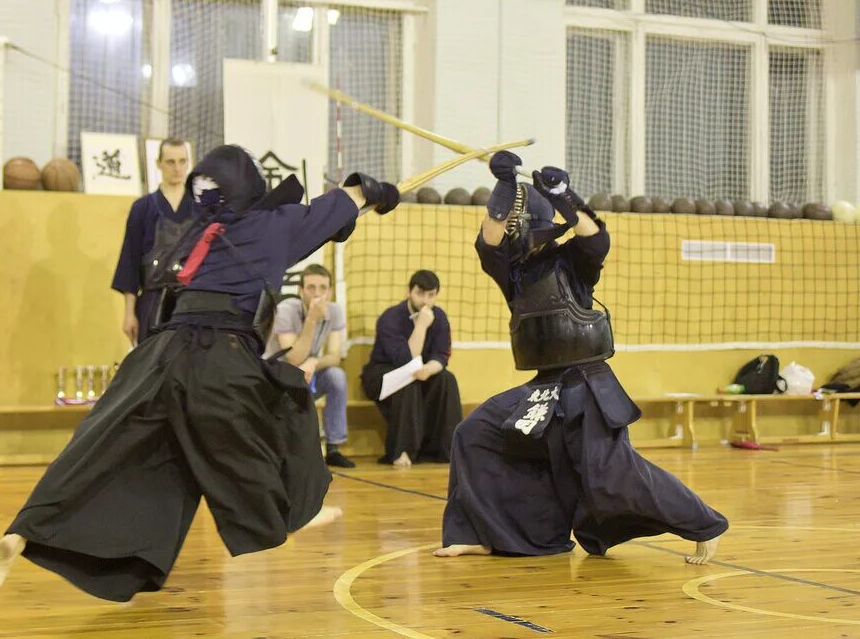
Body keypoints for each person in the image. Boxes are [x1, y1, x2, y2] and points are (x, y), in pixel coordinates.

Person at [0, 145, 400, 604]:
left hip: (159, 353)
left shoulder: (202, 230)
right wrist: (376, 193)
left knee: (112, 452)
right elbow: (350, 196)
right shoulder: (276, 226)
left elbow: (297, 232)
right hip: (220, 353)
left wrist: (343, 217)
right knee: (276, 409)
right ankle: (290, 511)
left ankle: (23, 531)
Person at [435, 151, 728, 564]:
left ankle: (705, 523)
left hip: (586, 386)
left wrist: (561, 194)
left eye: (520, 227)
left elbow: (595, 237)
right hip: (543, 389)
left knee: (614, 477)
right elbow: (490, 239)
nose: (513, 234)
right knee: (476, 435)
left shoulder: (572, 262)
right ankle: (485, 534)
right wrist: (503, 186)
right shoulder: (513, 273)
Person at [361, 270, 462, 468]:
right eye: (420, 293)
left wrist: (429, 369)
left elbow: (442, 355)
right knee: (408, 381)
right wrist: (422, 326)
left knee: (446, 379)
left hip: (419, 370)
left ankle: (448, 449)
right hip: (382, 372)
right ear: (409, 291)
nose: (425, 300)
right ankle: (402, 451)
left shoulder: (440, 317)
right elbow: (405, 359)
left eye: (431, 295)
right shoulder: (390, 317)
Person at [264, 263, 354, 468]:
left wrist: (314, 361)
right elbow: (293, 358)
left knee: (336, 376)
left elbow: (334, 356)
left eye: (323, 288)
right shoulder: (286, 310)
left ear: (330, 291)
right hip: (278, 373)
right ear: (300, 290)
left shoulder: (334, 311)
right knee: (294, 375)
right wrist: (312, 319)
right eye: (311, 287)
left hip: (308, 371)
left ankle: (333, 447)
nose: (317, 293)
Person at [111, 137, 195, 345]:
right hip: (152, 302)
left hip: (192, 303)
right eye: (170, 162)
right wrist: (129, 313)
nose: (177, 168)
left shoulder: (200, 208)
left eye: (182, 161)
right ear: (158, 163)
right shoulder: (143, 208)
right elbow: (130, 262)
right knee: (152, 370)